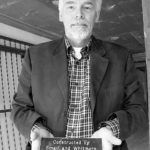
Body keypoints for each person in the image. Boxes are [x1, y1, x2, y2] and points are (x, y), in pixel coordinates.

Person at [11, 0, 147, 150]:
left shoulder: (121, 57)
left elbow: (138, 109)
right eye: (71, 6)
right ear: (61, 14)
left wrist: (112, 129)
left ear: (97, 14)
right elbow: (19, 107)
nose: (79, 14)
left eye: (87, 7)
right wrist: (35, 128)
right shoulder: (35, 56)